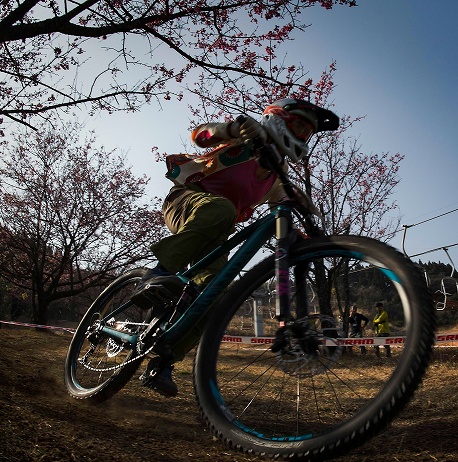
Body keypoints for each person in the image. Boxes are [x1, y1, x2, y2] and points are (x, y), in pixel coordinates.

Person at [133, 99, 340, 397]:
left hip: (216, 230)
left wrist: (305, 226)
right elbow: (201, 135)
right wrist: (232, 128)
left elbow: (281, 209)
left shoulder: (275, 179)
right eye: (297, 126)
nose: (300, 135)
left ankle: (162, 363)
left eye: (306, 133)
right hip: (186, 201)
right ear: (278, 119)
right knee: (221, 209)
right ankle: (156, 274)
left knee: (213, 295)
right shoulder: (244, 140)